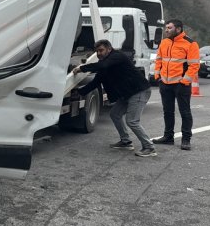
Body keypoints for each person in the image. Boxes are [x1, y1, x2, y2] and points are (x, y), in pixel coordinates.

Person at [73, 39, 155, 157]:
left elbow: (103, 65)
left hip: (139, 91)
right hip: (126, 93)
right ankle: (126, 142)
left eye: (101, 50)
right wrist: (80, 92)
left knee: (132, 121)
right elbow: (95, 82)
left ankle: (149, 147)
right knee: (115, 114)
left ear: (109, 49)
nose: (99, 53)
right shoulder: (105, 65)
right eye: (97, 51)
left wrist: (81, 68)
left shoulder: (117, 56)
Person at [152, 19, 200, 150]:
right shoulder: (164, 42)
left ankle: (186, 139)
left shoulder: (191, 43)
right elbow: (159, 60)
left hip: (181, 84)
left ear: (178, 29)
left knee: (185, 112)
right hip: (165, 83)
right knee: (167, 112)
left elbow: (194, 65)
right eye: (166, 28)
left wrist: (184, 81)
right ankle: (168, 137)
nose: (166, 30)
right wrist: (157, 76)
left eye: (169, 28)